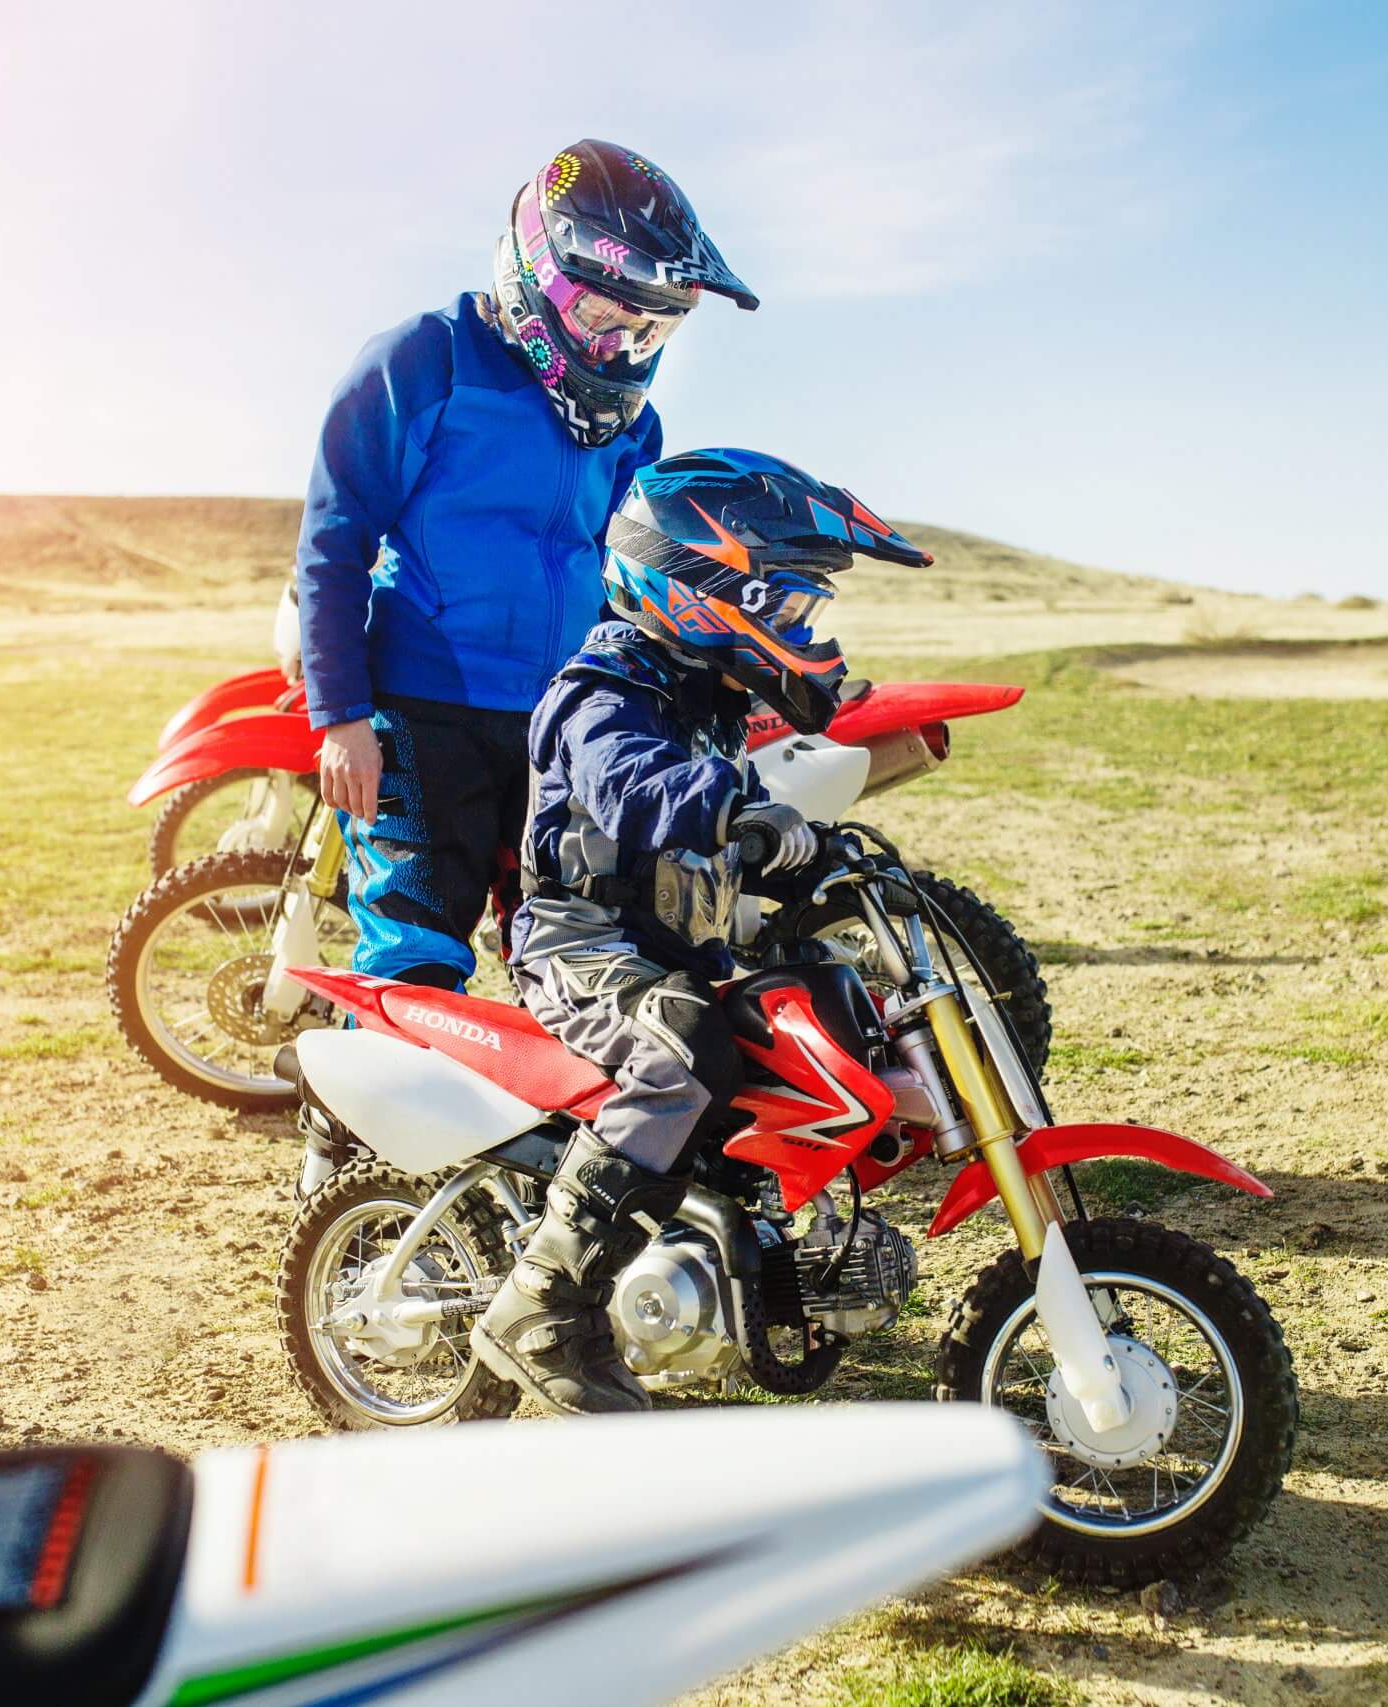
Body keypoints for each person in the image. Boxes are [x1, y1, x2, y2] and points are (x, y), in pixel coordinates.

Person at [470, 449, 933, 1415]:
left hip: (676, 943)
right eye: (791, 608)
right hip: (581, 945)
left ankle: (737, 1259)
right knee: (681, 1053)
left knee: (802, 1017)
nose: (802, 630)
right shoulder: (603, 691)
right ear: (706, 588)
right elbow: (635, 788)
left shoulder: (709, 694)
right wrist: (735, 812)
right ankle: (545, 1298)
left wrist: (814, 853)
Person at [292, 142, 756, 990]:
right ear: (537, 271)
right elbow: (334, 539)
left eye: (647, 326)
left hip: (563, 720)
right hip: (423, 712)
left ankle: (538, 1126)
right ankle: (358, 1123)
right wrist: (342, 717)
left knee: (574, 956)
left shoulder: (631, 425)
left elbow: (632, 578)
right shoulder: (421, 363)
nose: (621, 346)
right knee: (416, 956)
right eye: (602, 317)